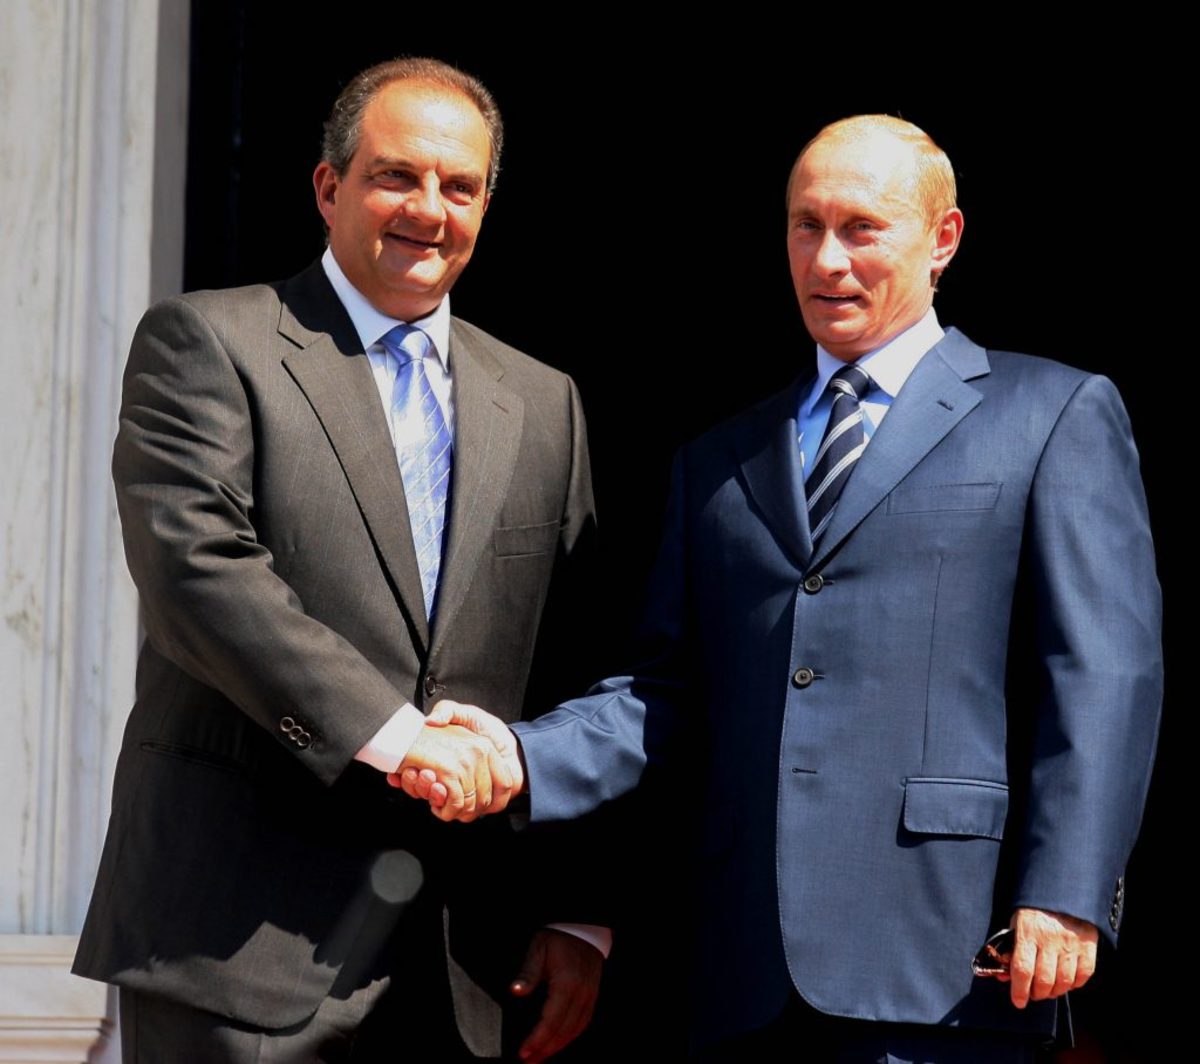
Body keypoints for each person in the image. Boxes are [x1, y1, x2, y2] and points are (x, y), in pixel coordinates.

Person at [404, 116, 1163, 1060]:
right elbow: (664, 694)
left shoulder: (1049, 412)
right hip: (745, 969)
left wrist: (1067, 889)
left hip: (950, 956)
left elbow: (1103, 672)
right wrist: (523, 755)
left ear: (943, 240)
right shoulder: (720, 459)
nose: (827, 259)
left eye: (861, 228)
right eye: (807, 226)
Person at [73, 57, 606, 1063]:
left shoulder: (544, 402)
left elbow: (576, 649)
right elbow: (198, 571)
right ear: (329, 187)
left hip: (465, 959)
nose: (428, 210)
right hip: (236, 944)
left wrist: (578, 908)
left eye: (459, 186)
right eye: (396, 176)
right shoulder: (208, 342)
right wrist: (398, 737)